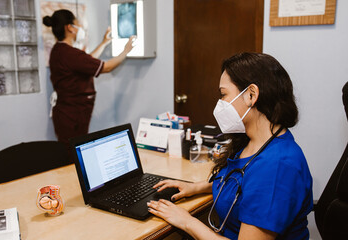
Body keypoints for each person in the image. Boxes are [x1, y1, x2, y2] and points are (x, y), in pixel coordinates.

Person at [147, 53, 313, 239]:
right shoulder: (255, 142)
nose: (220, 104)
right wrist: (196, 187)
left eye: (224, 94)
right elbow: (241, 182)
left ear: (251, 95)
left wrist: (187, 221)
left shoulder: (276, 166)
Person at [43, 9, 135, 149]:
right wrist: (126, 51)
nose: (80, 28)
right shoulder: (69, 53)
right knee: (72, 155)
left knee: (70, 152)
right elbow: (107, 67)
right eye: (77, 24)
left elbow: (87, 62)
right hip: (72, 115)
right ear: (70, 28)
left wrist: (104, 43)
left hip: (68, 113)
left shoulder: (59, 50)